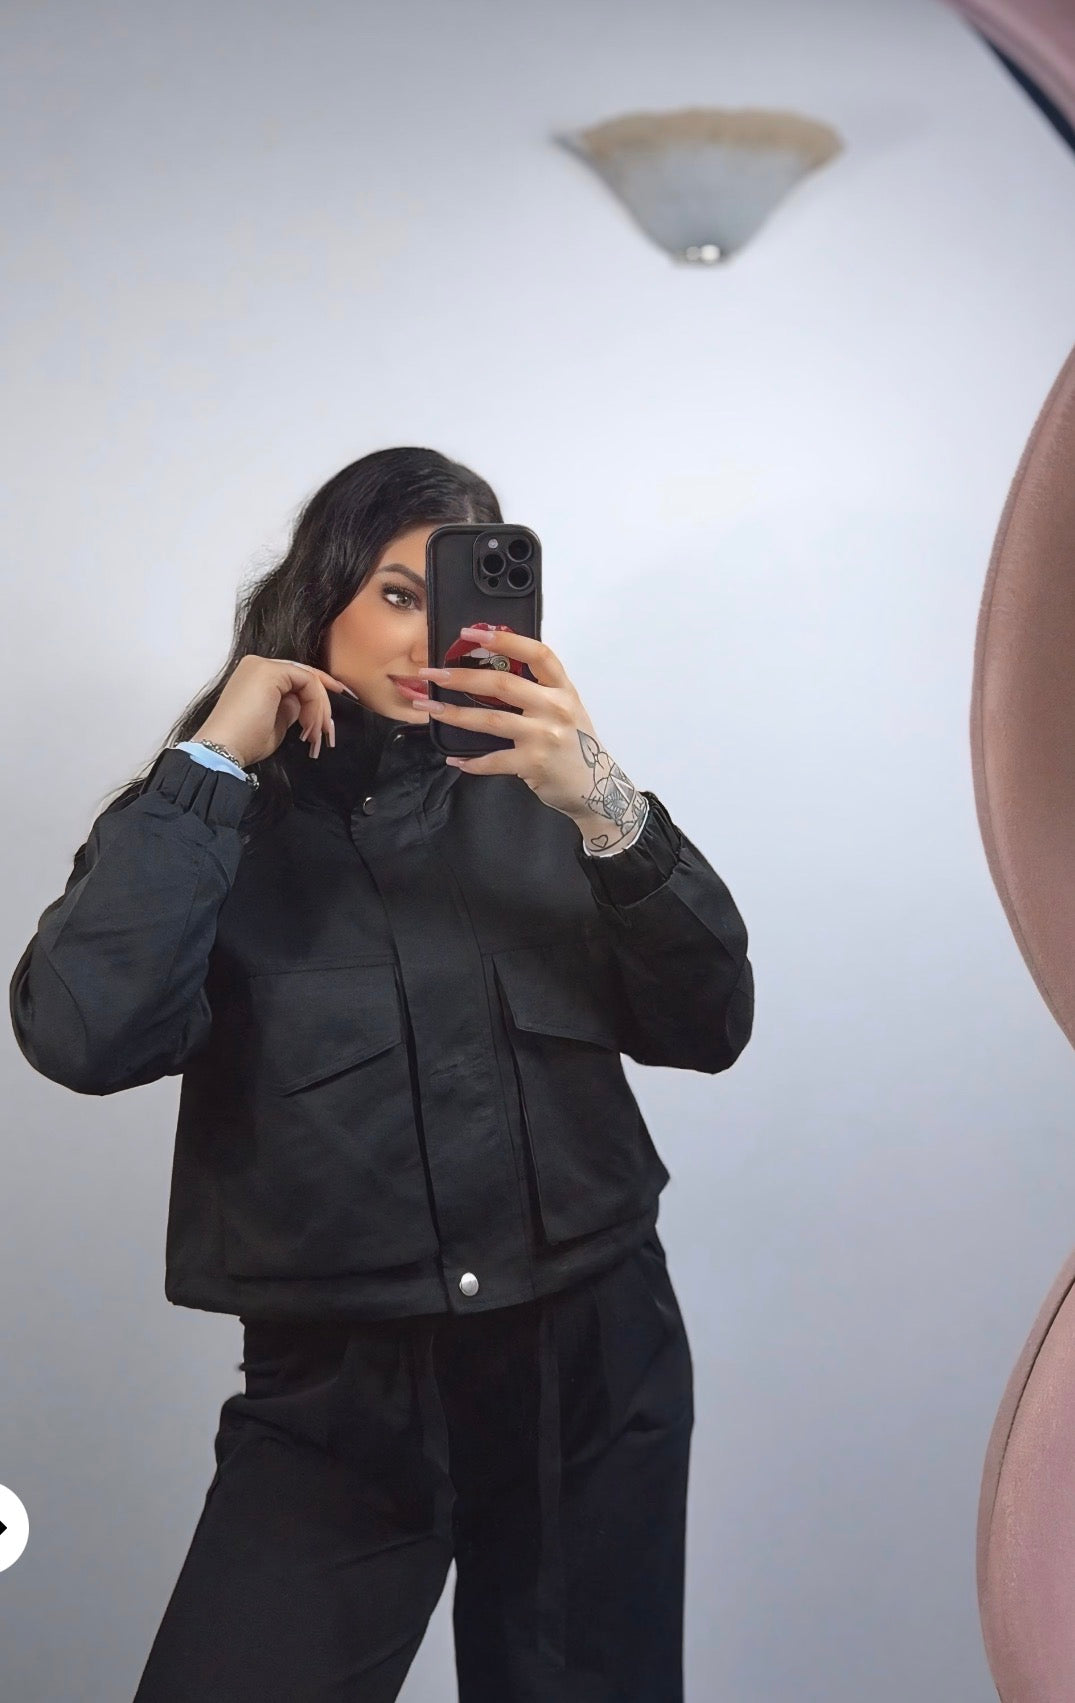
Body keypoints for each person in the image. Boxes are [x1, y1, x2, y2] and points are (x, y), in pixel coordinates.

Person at [9, 446, 754, 1703]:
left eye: (458, 597)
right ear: (325, 592)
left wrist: (603, 801)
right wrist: (213, 761)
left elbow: (710, 1020)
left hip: (588, 1366)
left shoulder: (552, 795)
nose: (428, 633)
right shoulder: (209, 819)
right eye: (398, 593)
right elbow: (83, 1034)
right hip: (340, 1405)